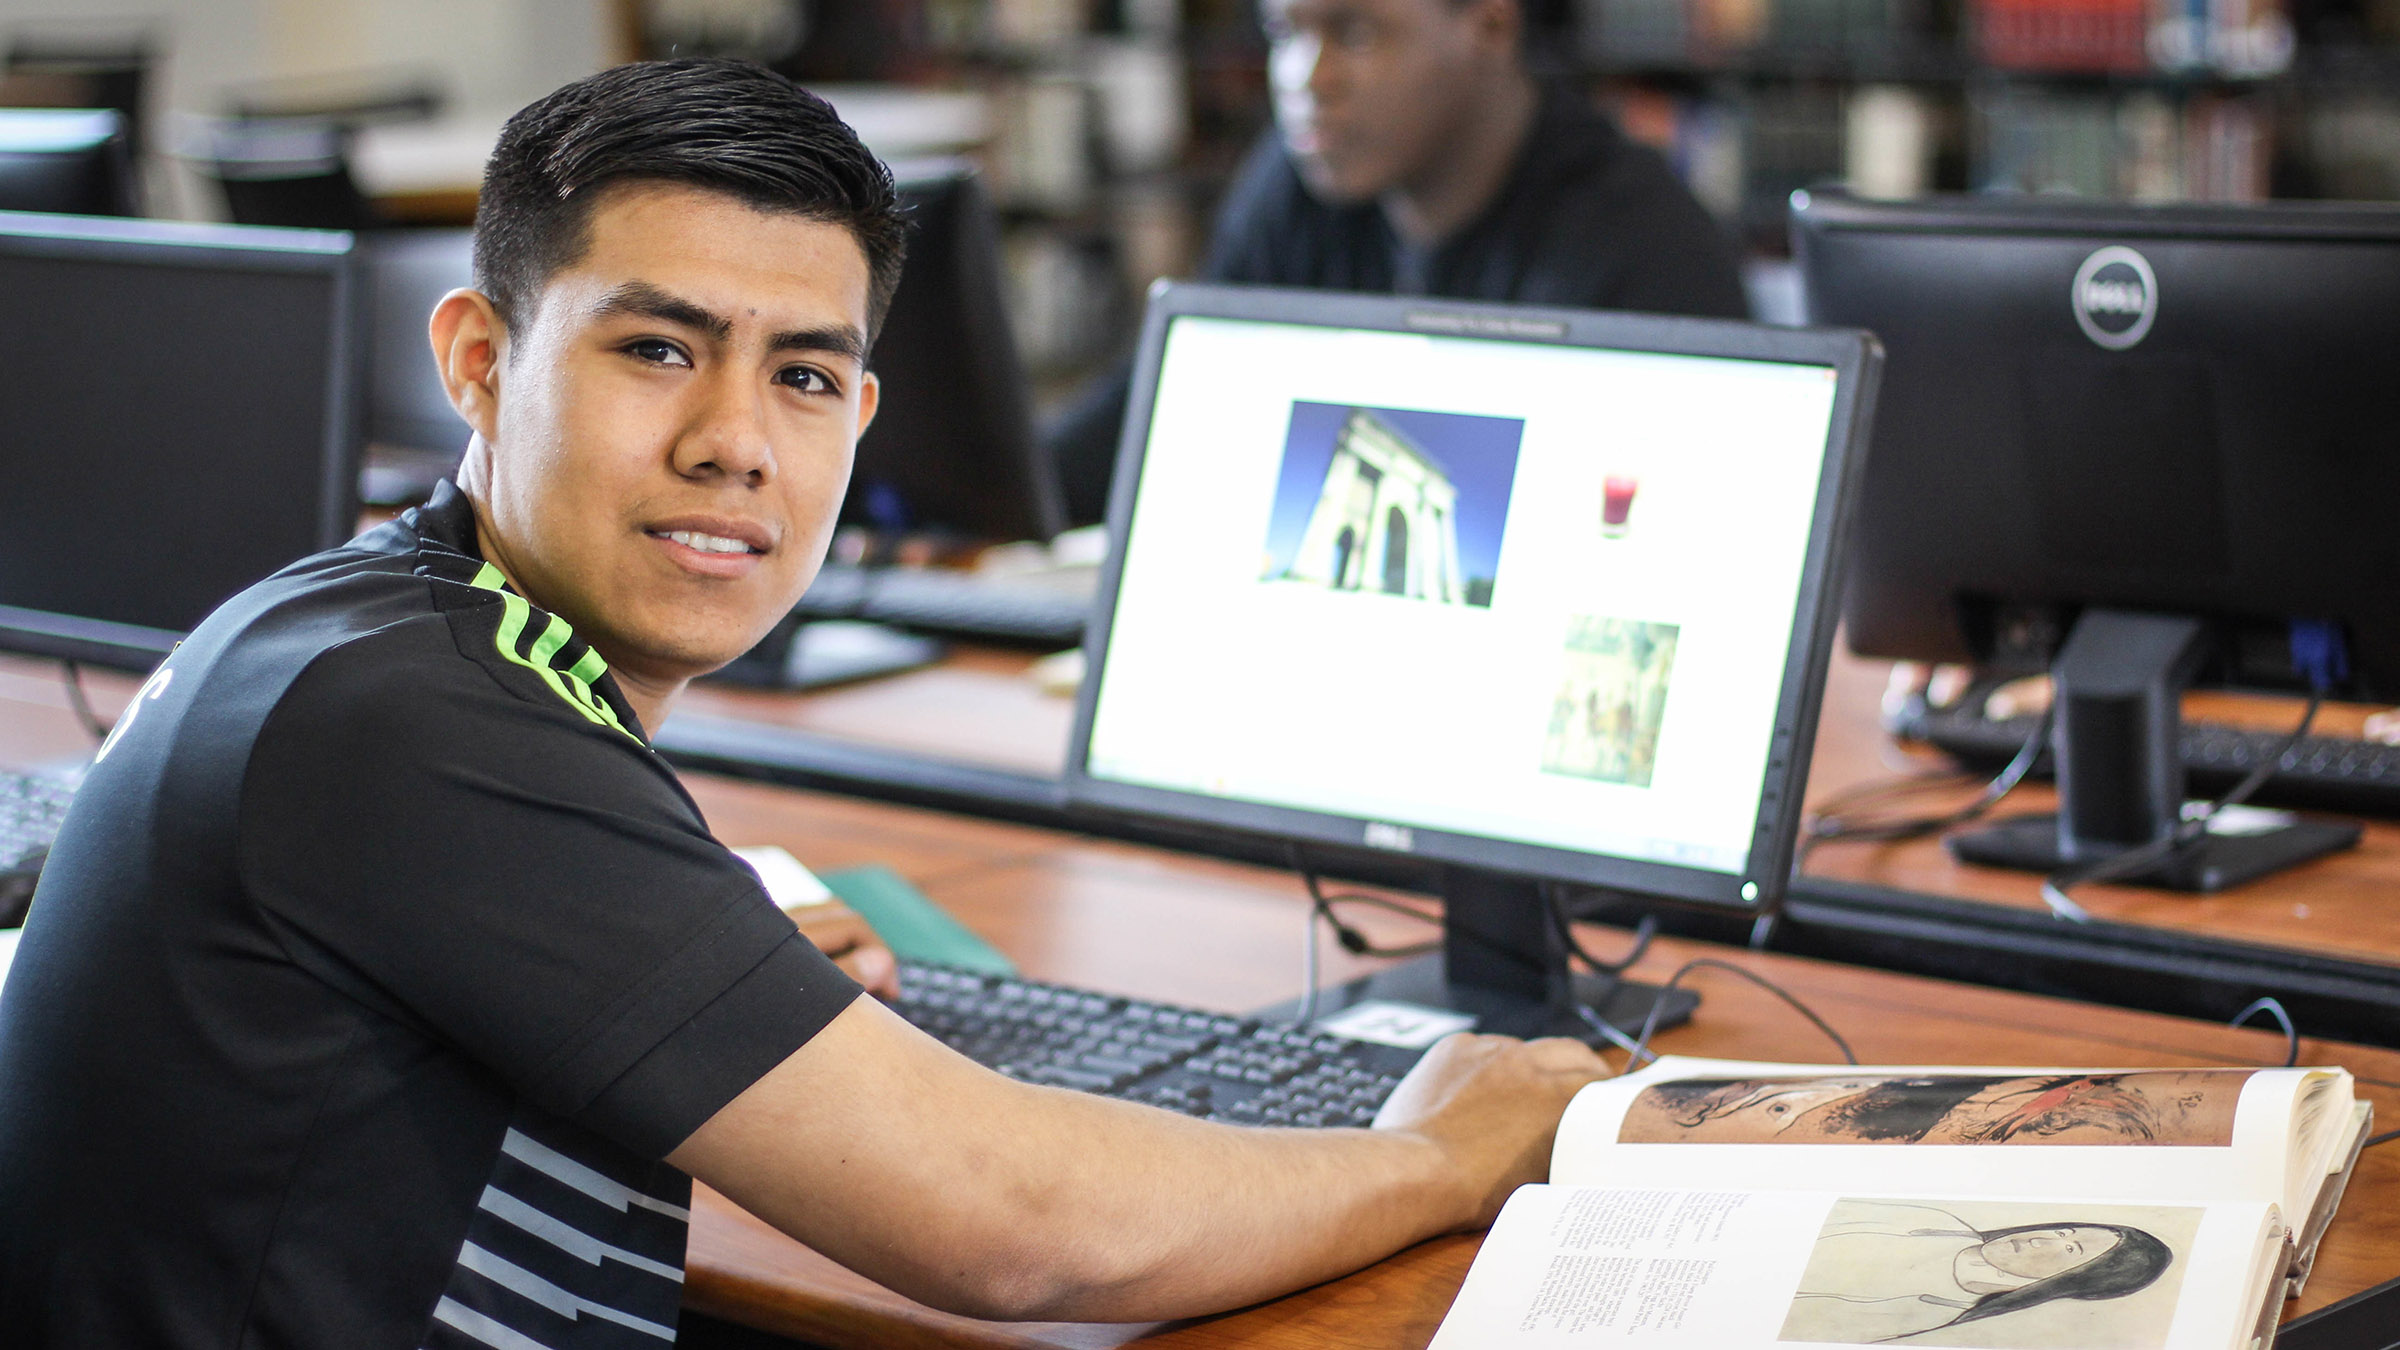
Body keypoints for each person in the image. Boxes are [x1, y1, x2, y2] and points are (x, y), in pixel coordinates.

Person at [0, 58, 1609, 1348]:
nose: (735, 441)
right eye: (656, 348)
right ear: (478, 359)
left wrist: (697, 935)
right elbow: (1014, 1230)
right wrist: (1442, 1149)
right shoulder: (409, 723)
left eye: (806, 375)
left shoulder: (374, 627)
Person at [1048, 0, 1752, 525]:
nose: (1306, 79)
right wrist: (979, 490)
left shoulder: (1641, 242)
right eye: (1284, 35)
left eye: (1354, 34)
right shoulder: (1296, 185)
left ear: (1489, 28)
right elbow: (1165, 405)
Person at [1782, 1201, 2174, 1344]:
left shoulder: (1930, 1311)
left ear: (2068, 1280)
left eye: (2070, 1251)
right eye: (2063, 1231)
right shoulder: (1933, 1221)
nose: (2042, 1240)